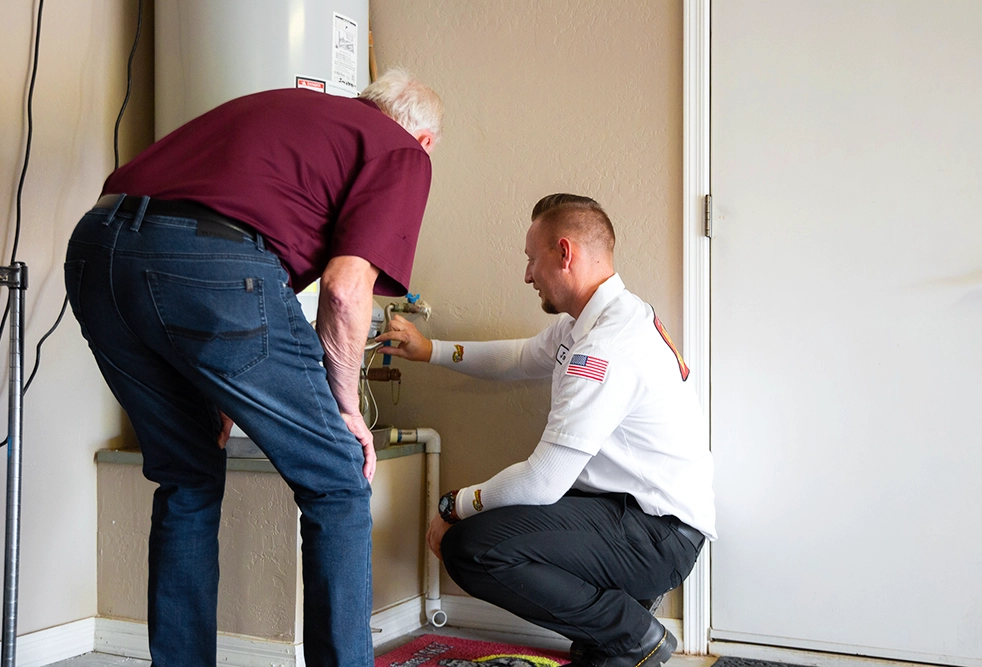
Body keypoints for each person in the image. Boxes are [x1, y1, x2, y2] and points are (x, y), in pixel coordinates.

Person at [64, 69, 443, 667]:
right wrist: (346, 410)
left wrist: (213, 387)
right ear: (423, 141)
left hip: (95, 254)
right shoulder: (401, 150)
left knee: (187, 478)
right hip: (210, 265)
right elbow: (345, 292)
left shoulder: (294, 110)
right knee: (339, 479)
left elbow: (171, 236)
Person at [377, 194, 716, 667]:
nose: (527, 274)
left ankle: (632, 633)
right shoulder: (597, 320)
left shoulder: (604, 347)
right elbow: (517, 358)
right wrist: (429, 348)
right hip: (634, 514)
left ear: (564, 253)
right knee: (502, 521)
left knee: (471, 547)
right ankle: (621, 617)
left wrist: (454, 504)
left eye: (531, 259)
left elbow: (541, 481)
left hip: (658, 535)